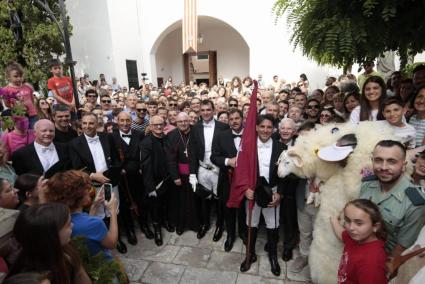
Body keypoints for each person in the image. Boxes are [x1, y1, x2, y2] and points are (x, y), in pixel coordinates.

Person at [68, 113, 126, 253]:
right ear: (81, 125)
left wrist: (115, 172)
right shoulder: (74, 143)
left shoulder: (107, 137)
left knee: (112, 210)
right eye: (85, 123)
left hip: (110, 181)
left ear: (97, 124)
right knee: (98, 212)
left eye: (91, 123)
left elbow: (116, 157)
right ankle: (102, 239)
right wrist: (93, 176)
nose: (87, 126)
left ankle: (115, 238)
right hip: (91, 184)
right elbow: (76, 167)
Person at [360, 140, 425, 256]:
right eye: (378, 160)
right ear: (372, 161)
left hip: (383, 258)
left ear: (404, 165)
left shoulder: (415, 202)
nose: (384, 167)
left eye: (392, 162)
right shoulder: (366, 184)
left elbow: (401, 248)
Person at [240, 114, 284, 276]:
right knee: (251, 223)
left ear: (273, 129)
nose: (265, 130)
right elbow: (241, 170)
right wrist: (245, 188)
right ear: (256, 127)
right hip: (252, 191)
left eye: (269, 127)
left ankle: (273, 256)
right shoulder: (248, 146)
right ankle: (249, 255)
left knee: (273, 225)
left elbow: (285, 175)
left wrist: (280, 193)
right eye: (262, 127)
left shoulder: (281, 148)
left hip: (272, 192)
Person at [7, 203, 91, 284]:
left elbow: (80, 275)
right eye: (68, 224)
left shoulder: (66, 248)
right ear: (51, 236)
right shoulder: (33, 279)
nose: (72, 225)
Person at [45, 170, 118, 261]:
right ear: (79, 197)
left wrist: (94, 206)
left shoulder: (58, 218)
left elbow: (86, 226)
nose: (89, 190)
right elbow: (112, 243)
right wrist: (113, 211)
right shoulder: (95, 223)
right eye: (86, 189)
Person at [189, 100, 229, 240]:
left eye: (208, 109)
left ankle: (219, 225)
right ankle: (205, 224)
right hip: (202, 169)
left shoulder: (224, 127)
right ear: (200, 111)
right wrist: (192, 174)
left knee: (219, 200)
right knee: (204, 199)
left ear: (214, 111)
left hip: (218, 170)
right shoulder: (195, 128)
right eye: (203, 110)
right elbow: (192, 152)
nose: (206, 112)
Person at [211, 109, 246, 251]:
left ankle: (243, 233)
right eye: (231, 119)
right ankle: (230, 235)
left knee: (244, 208)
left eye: (237, 118)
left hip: (245, 180)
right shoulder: (221, 135)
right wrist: (227, 161)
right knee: (228, 208)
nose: (234, 121)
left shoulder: (251, 134)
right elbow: (214, 156)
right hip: (227, 178)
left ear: (242, 119)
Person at [330, 199, 387, 284]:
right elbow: (342, 234)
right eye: (348, 221)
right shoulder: (355, 237)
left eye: (359, 223)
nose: (351, 228)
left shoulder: (371, 262)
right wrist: (334, 220)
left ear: (375, 227)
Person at [109, 112, 145, 243]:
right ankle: (130, 231)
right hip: (122, 176)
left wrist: (141, 167)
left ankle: (144, 225)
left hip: (137, 175)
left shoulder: (139, 134)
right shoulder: (111, 137)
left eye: (128, 120)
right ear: (117, 121)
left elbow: (143, 153)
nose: (125, 123)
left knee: (140, 200)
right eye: (122, 120)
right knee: (124, 204)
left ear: (132, 121)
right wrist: (119, 168)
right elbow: (112, 156)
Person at [165, 112, 199, 235]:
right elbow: (170, 158)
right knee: (180, 201)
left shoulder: (196, 132)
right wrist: (175, 176)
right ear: (176, 122)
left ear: (189, 120)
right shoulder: (171, 135)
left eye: (185, 121)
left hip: (195, 173)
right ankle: (181, 225)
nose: (183, 123)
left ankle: (195, 224)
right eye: (180, 122)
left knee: (194, 200)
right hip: (179, 174)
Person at [141, 115, 172, 246]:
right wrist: (150, 187)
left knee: (165, 203)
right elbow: (145, 167)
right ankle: (157, 229)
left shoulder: (167, 138)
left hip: (168, 179)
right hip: (155, 182)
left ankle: (165, 222)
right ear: (151, 126)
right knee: (155, 207)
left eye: (161, 124)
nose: (159, 127)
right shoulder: (146, 142)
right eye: (156, 125)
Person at [2, 62, 38, 128]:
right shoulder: (6, 90)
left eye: (21, 76)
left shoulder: (28, 86)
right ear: (8, 77)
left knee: (34, 133)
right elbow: (7, 104)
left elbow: (32, 100)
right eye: (16, 76)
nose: (19, 78)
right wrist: (17, 106)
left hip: (33, 115)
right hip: (20, 117)